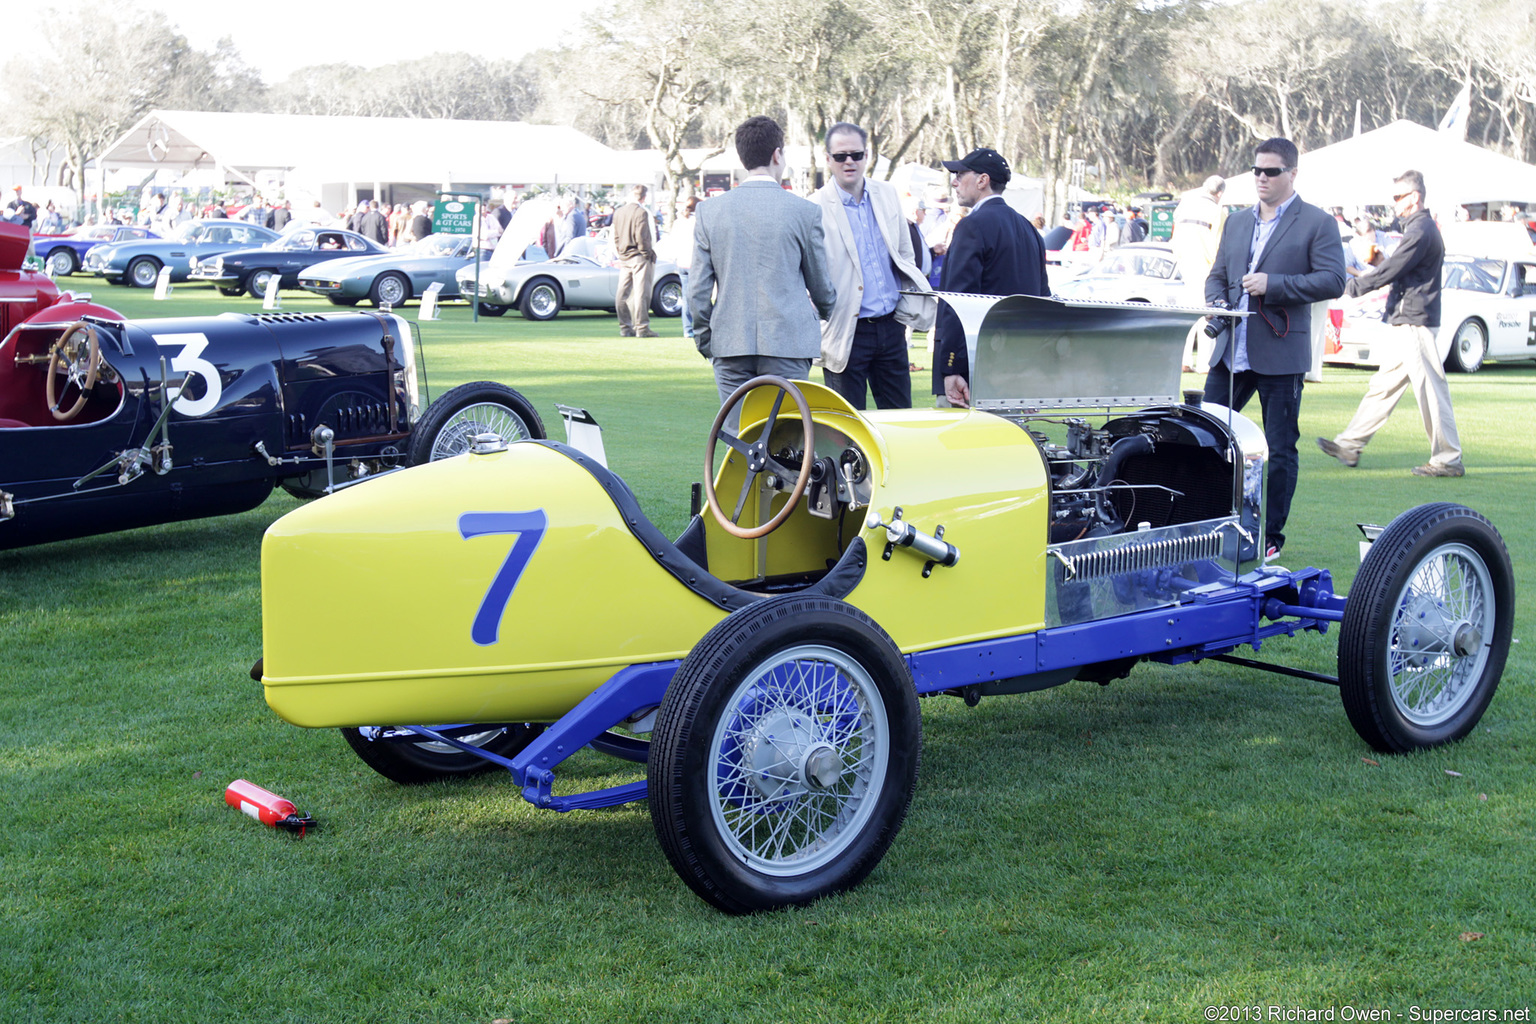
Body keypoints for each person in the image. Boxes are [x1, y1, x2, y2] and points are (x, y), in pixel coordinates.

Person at [1202, 137, 1346, 560]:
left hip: (1281, 353)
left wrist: (1275, 285)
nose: (1262, 178)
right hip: (1231, 350)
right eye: (1256, 171)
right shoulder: (1237, 222)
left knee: (1280, 448)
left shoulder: (1317, 223)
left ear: (1292, 174)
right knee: (1206, 436)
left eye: (1271, 171)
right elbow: (1218, 275)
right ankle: (1209, 519)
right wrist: (1217, 301)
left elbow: (1333, 281)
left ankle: (1270, 537)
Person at [690, 114, 837, 427]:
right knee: (787, 442)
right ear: (777, 154)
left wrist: (707, 340)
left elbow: (698, 292)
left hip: (730, 342)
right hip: (787, 341)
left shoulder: (710, 212)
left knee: (736, 444)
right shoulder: (804, 212)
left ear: (743, 158)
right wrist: (826, 309)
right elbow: (821, 286)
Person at [1318, 170, 1463, 477]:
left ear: (1415, 197)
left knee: (1431, 390)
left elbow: (1395, 270)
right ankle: (1349, 444)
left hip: (1414, 319)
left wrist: (1353, 287)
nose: (1394, 204)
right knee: (1383, 387)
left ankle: (1447, 459)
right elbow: (1400, 269)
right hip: (1408, 317)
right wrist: (1380, 265)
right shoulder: (1420, 229)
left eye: (1399, 197)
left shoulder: (1421, 229)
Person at [812, 122, 934, 409]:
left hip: (891, 327)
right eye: (841, 156)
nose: (849, 161)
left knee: (900, 422)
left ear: (867, 156)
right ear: (828, 160)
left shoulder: (887, 194)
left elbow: (904, 254)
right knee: (848, 431)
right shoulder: (814, 206)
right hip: (845, 331)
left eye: (856, 154)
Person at [930, 147, 1049, 408]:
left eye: (960, 174)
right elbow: (1043, 302)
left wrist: (951, 367)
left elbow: (957, 302)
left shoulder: (973, 225)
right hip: (1015, 370)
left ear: (982, 180)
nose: (954, 181)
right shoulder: (1029, 229)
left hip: (973, 371)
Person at [613, 184, 659, 338]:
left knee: (622, 293)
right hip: (639, 256)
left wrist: (621, 252)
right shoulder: (641, 212)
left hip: (625, 255)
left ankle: (625, 327)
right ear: (644, 197)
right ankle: (642, 327)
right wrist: (647, 253)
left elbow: (616, 236)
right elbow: (642, 237)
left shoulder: (619, 212)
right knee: (641, 293)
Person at [1172, 175, 1226, 298]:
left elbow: (1174, 235)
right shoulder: (1218, 212)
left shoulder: (1184, 206)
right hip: (1205, 269)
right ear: (1220, 194)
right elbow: (1219, 246)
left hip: (1182, 264)